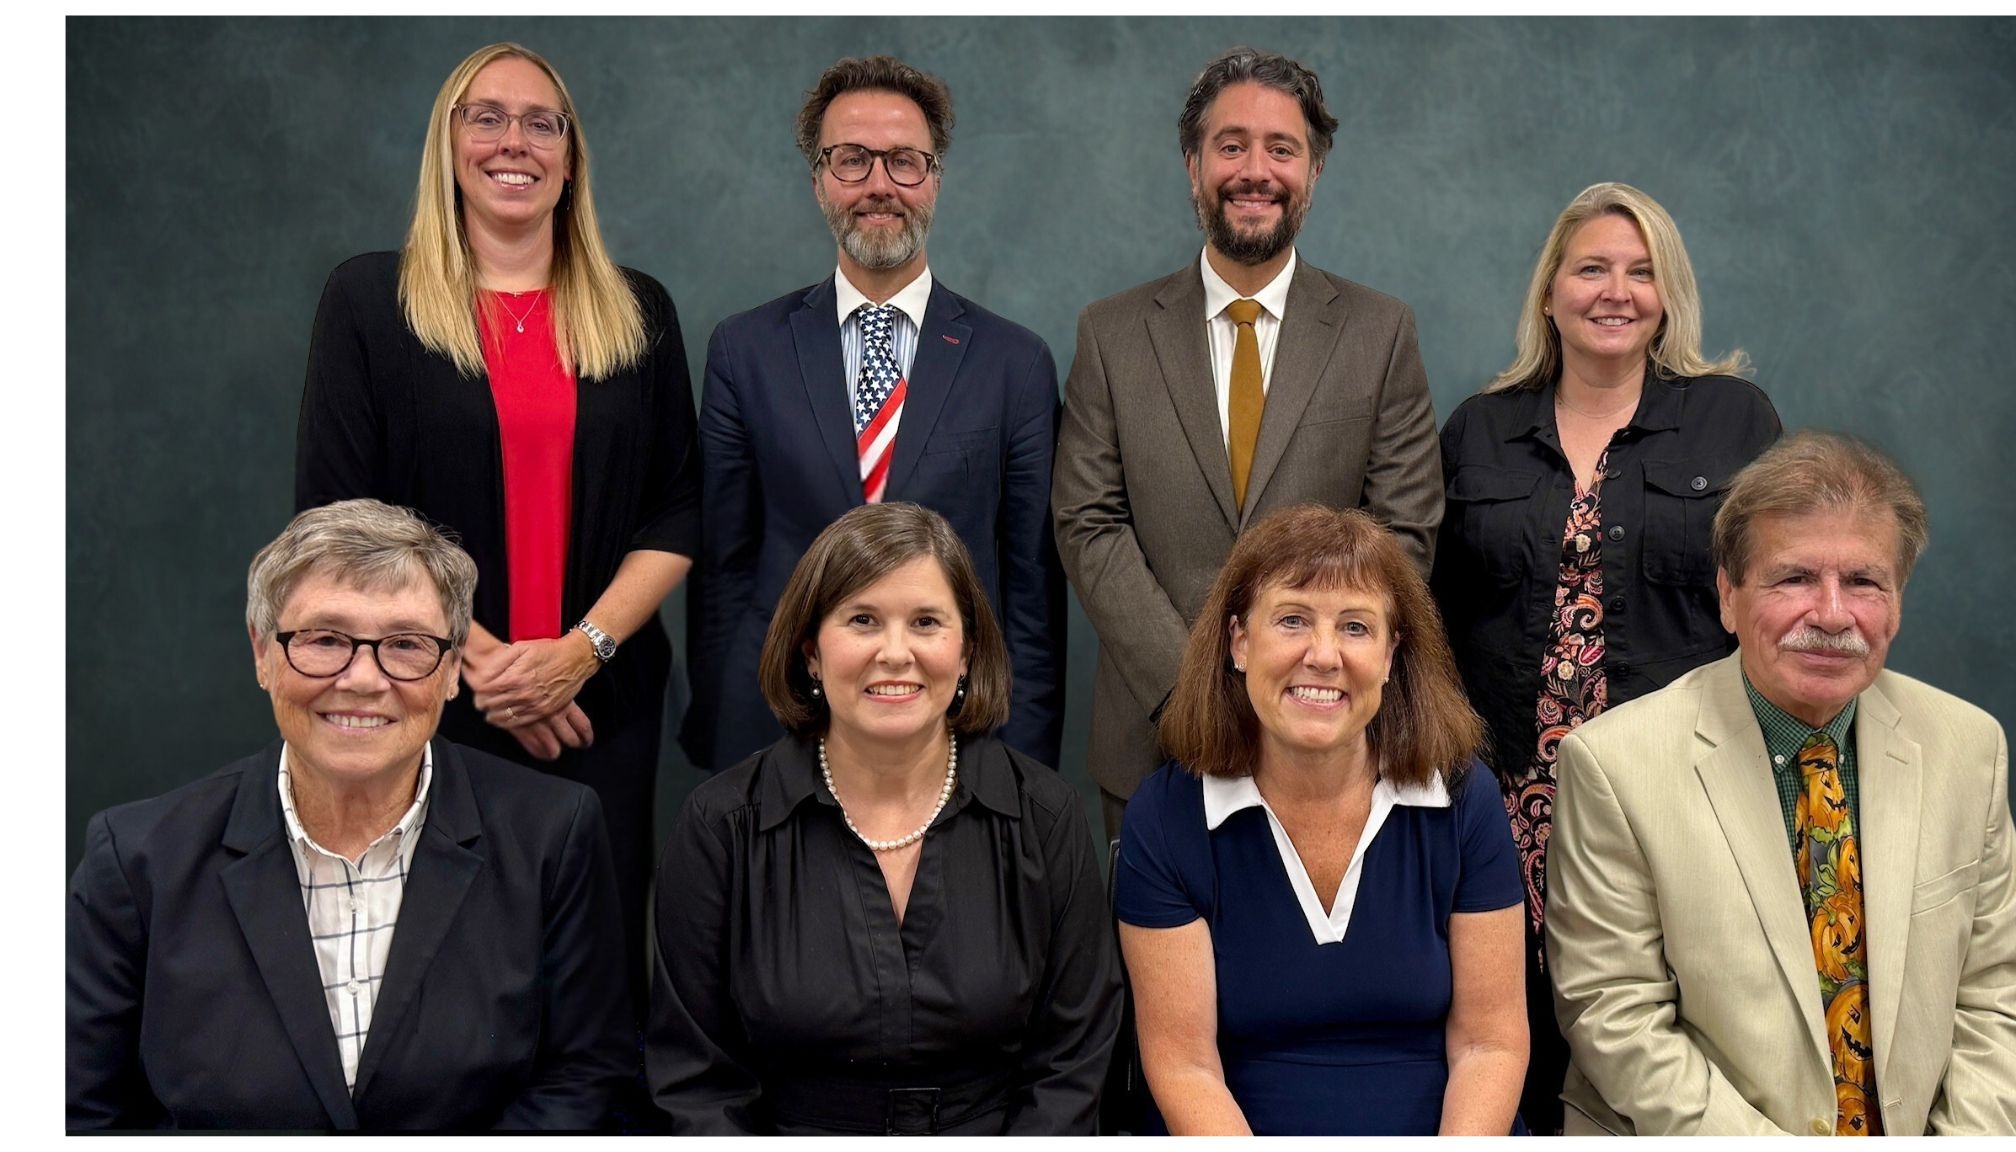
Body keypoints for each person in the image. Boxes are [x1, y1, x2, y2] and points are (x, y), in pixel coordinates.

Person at [294, 42, 699, 994]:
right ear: (449, 144)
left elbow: (679, 505)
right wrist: (478, 663)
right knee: (443, 972)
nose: (513, 140)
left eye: (540, 122)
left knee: (594, 972)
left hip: (603, 703)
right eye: (486, 116)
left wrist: (575, 655)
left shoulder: (638, 309)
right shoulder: (369, 300)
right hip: (415, 694)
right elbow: (337, 513)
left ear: (569, 157)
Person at [67, 499, 636, 1131]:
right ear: (262, 653)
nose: (364, 679)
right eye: (325, 639)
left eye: (406, 644)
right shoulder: (138, 858)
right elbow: (82, 1113)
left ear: (452, 670)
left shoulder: (551, 835)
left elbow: (587, 1077)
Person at [1430, 181, 1781, 1132]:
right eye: (1591, 268)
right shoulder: (1478, 429)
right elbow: (1433, 616)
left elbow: (1773, 596)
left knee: (1659, 1028)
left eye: (1641, 271)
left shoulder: (1732, 419)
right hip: (1506, 796)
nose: (1615, 290)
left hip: (1668, 790)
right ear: (1550, 291)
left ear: (1667, 297)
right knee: (1520, 1036)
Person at [1547, 431, 2016, 1135]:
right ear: (1729, 596)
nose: (1831, 615)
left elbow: (2001, 999)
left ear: (1897, 601)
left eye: (1863, 582)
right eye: (1794, 578)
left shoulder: (1968, 748)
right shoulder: (1615, 765)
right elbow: (1614, 1013)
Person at [1054, 48, 1442, 844]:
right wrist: (1192, 688)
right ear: (1193, 165)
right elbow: (1088, 523)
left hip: (1324, 736)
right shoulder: (1112, 333)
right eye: (1231, 146)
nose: (1254, 170)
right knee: (1158, 970)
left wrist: (1294, 674)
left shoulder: (1379, 332)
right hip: (1155, 742)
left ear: (1316, 169)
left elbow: (1404, 533)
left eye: (1281, 149)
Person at [647, 503, 1119, 1134]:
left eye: (926, 622)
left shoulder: (1044, 818)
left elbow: (1072, 1068)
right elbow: (695, 1083)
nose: (895, 653)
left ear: (967, 650)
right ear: (811, 651)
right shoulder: (722, 825)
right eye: (863, 620)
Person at [686, 55, 1063, 776]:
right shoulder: (745, 349)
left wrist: (1025, 761)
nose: (880, 184)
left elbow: (1032, 595)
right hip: (777, 725)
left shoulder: (1015, 363)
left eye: (904, 162)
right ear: (819, 179)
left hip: (957, 731)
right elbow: (723, 572)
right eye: (852, 160)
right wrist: (725, 737)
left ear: (936, 178)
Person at [1116, 503, 1526, 1135]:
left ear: (1392, 657)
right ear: (1239, 642)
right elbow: (1184, 1065)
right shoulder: (1167, 818)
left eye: (1356, 628)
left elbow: (1489, 1046)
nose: (1325, 655)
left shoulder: (1463, 801)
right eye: (1292, 620)